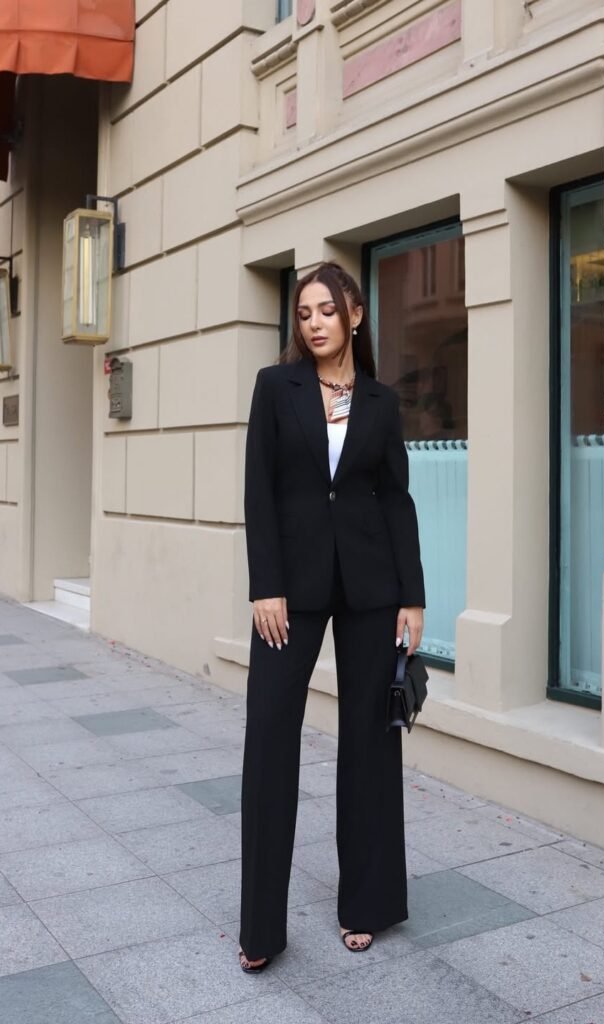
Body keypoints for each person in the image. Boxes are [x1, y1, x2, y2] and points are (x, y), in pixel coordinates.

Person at [239, 261, 425, 972]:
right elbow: (259, 489)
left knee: (371, 744)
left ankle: (367, 904)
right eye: (304, 312)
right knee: (269, 739)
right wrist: (265, 585)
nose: (314, 322)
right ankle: (261, 929)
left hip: (372, 587)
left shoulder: (380, 400)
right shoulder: (275, 386)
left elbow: (396, 499)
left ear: (355, 315)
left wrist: (413, 596)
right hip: (290, 590)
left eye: (326, 310)